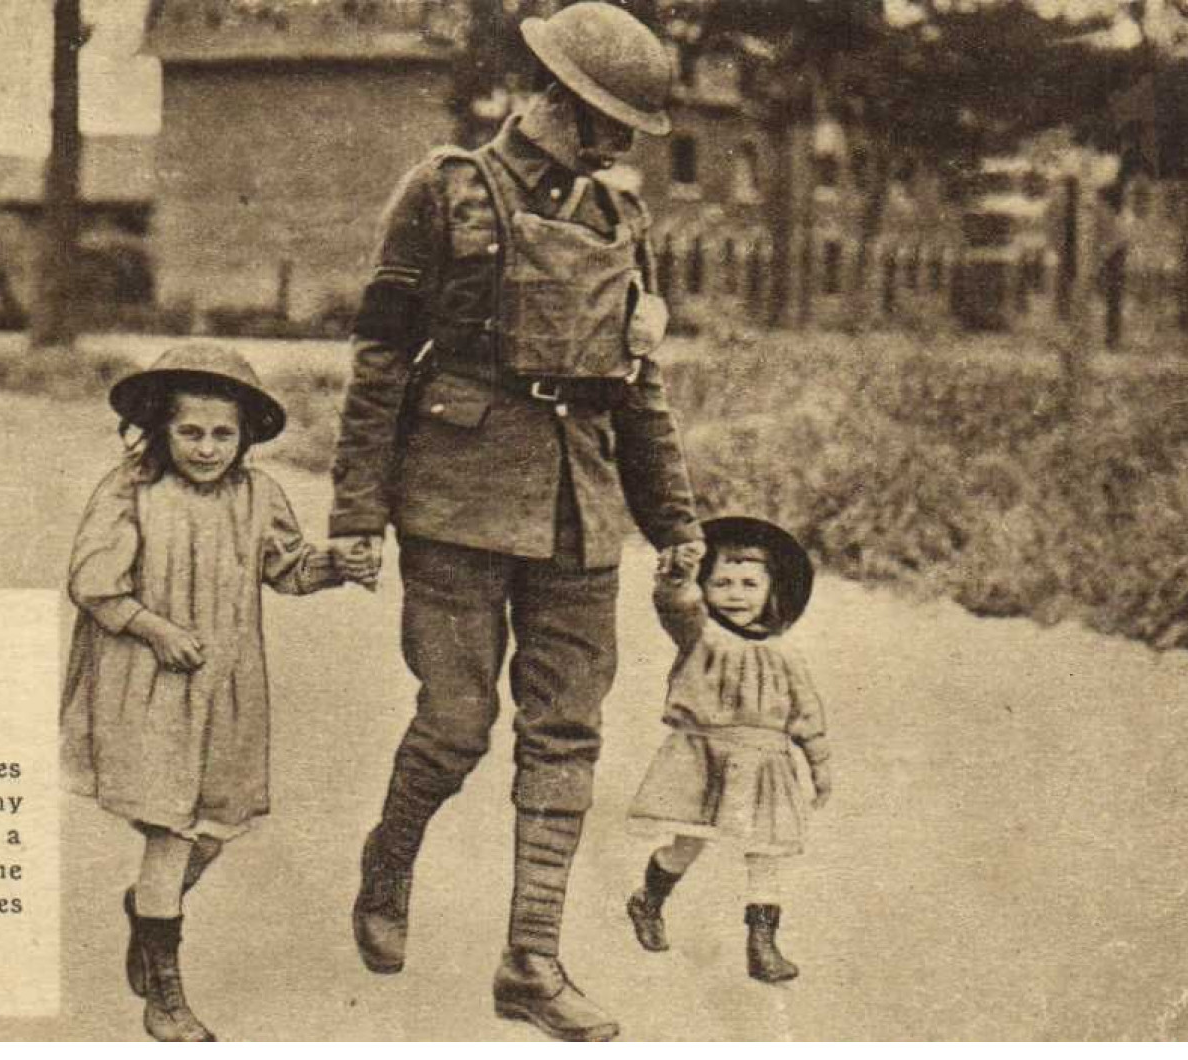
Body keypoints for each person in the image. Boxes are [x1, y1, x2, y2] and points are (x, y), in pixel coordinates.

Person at [329, 3, 703, 1042]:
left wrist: (675, 520)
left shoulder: (620, 221)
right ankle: (388, 860)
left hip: (579, 508)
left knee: (566, 732)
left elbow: (638, 387)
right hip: (453, 492)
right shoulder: (444, 190)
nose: (619, 143)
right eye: (606, 119)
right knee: (455, 725)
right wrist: (357, 513)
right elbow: (376, 360)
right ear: (555, 99)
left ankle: (529, 963)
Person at [60, 343, 374, 1042]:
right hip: (148, 684)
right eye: (189, 432)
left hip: (227, 687)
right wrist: (154, 629)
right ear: (160, 429)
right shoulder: (130, 491)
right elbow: (94, 584)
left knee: (215, 826)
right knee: (169, 833)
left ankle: (147, 911)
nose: (206, 448)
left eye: (222, 434)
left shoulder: (259, 495)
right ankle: (165, 998)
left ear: (245, 436)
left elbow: (286, 568)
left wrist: (335, 566)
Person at [624, 516, 833, 983]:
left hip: (767, 763)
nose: (736, 594)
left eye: (748, 584)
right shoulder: (701, 636)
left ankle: (762, 945)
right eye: (722, 583)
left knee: (766, 850)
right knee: (688, 842)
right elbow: (675, 606)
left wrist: (819, 764)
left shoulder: (785, 653)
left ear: (770, 589)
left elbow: (806, 714)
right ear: (706, 589)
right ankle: (649, 899)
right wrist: (676, 579)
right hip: (706, 757)